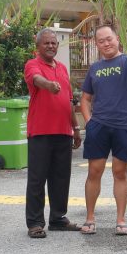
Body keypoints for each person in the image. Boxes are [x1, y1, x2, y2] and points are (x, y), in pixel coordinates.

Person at [79, 24, 127, 236]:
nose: (106, 43)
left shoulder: (126, 61)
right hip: (98, 127)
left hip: (123, 126)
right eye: (101, 41)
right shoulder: (94, 68)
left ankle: (121, 219)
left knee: (120, 173)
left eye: (109, 39)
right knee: (94, 172)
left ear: (117, 38)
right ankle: (90, 218)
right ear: (96, 44)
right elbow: (85, 98)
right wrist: (88, 121)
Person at [23, 28, 82, 238]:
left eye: (54, 43)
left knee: (61, 178)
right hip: (40, 131)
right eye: (46, 43)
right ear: (38, 46)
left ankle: (58, 218)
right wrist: (49, 85)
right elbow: (37, 80)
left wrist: (75, 128)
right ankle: (35, 223)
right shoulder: (32, 65)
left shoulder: (63, 69)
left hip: (63, 131)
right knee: (37, 179)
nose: (51, 46)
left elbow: (68, 101)